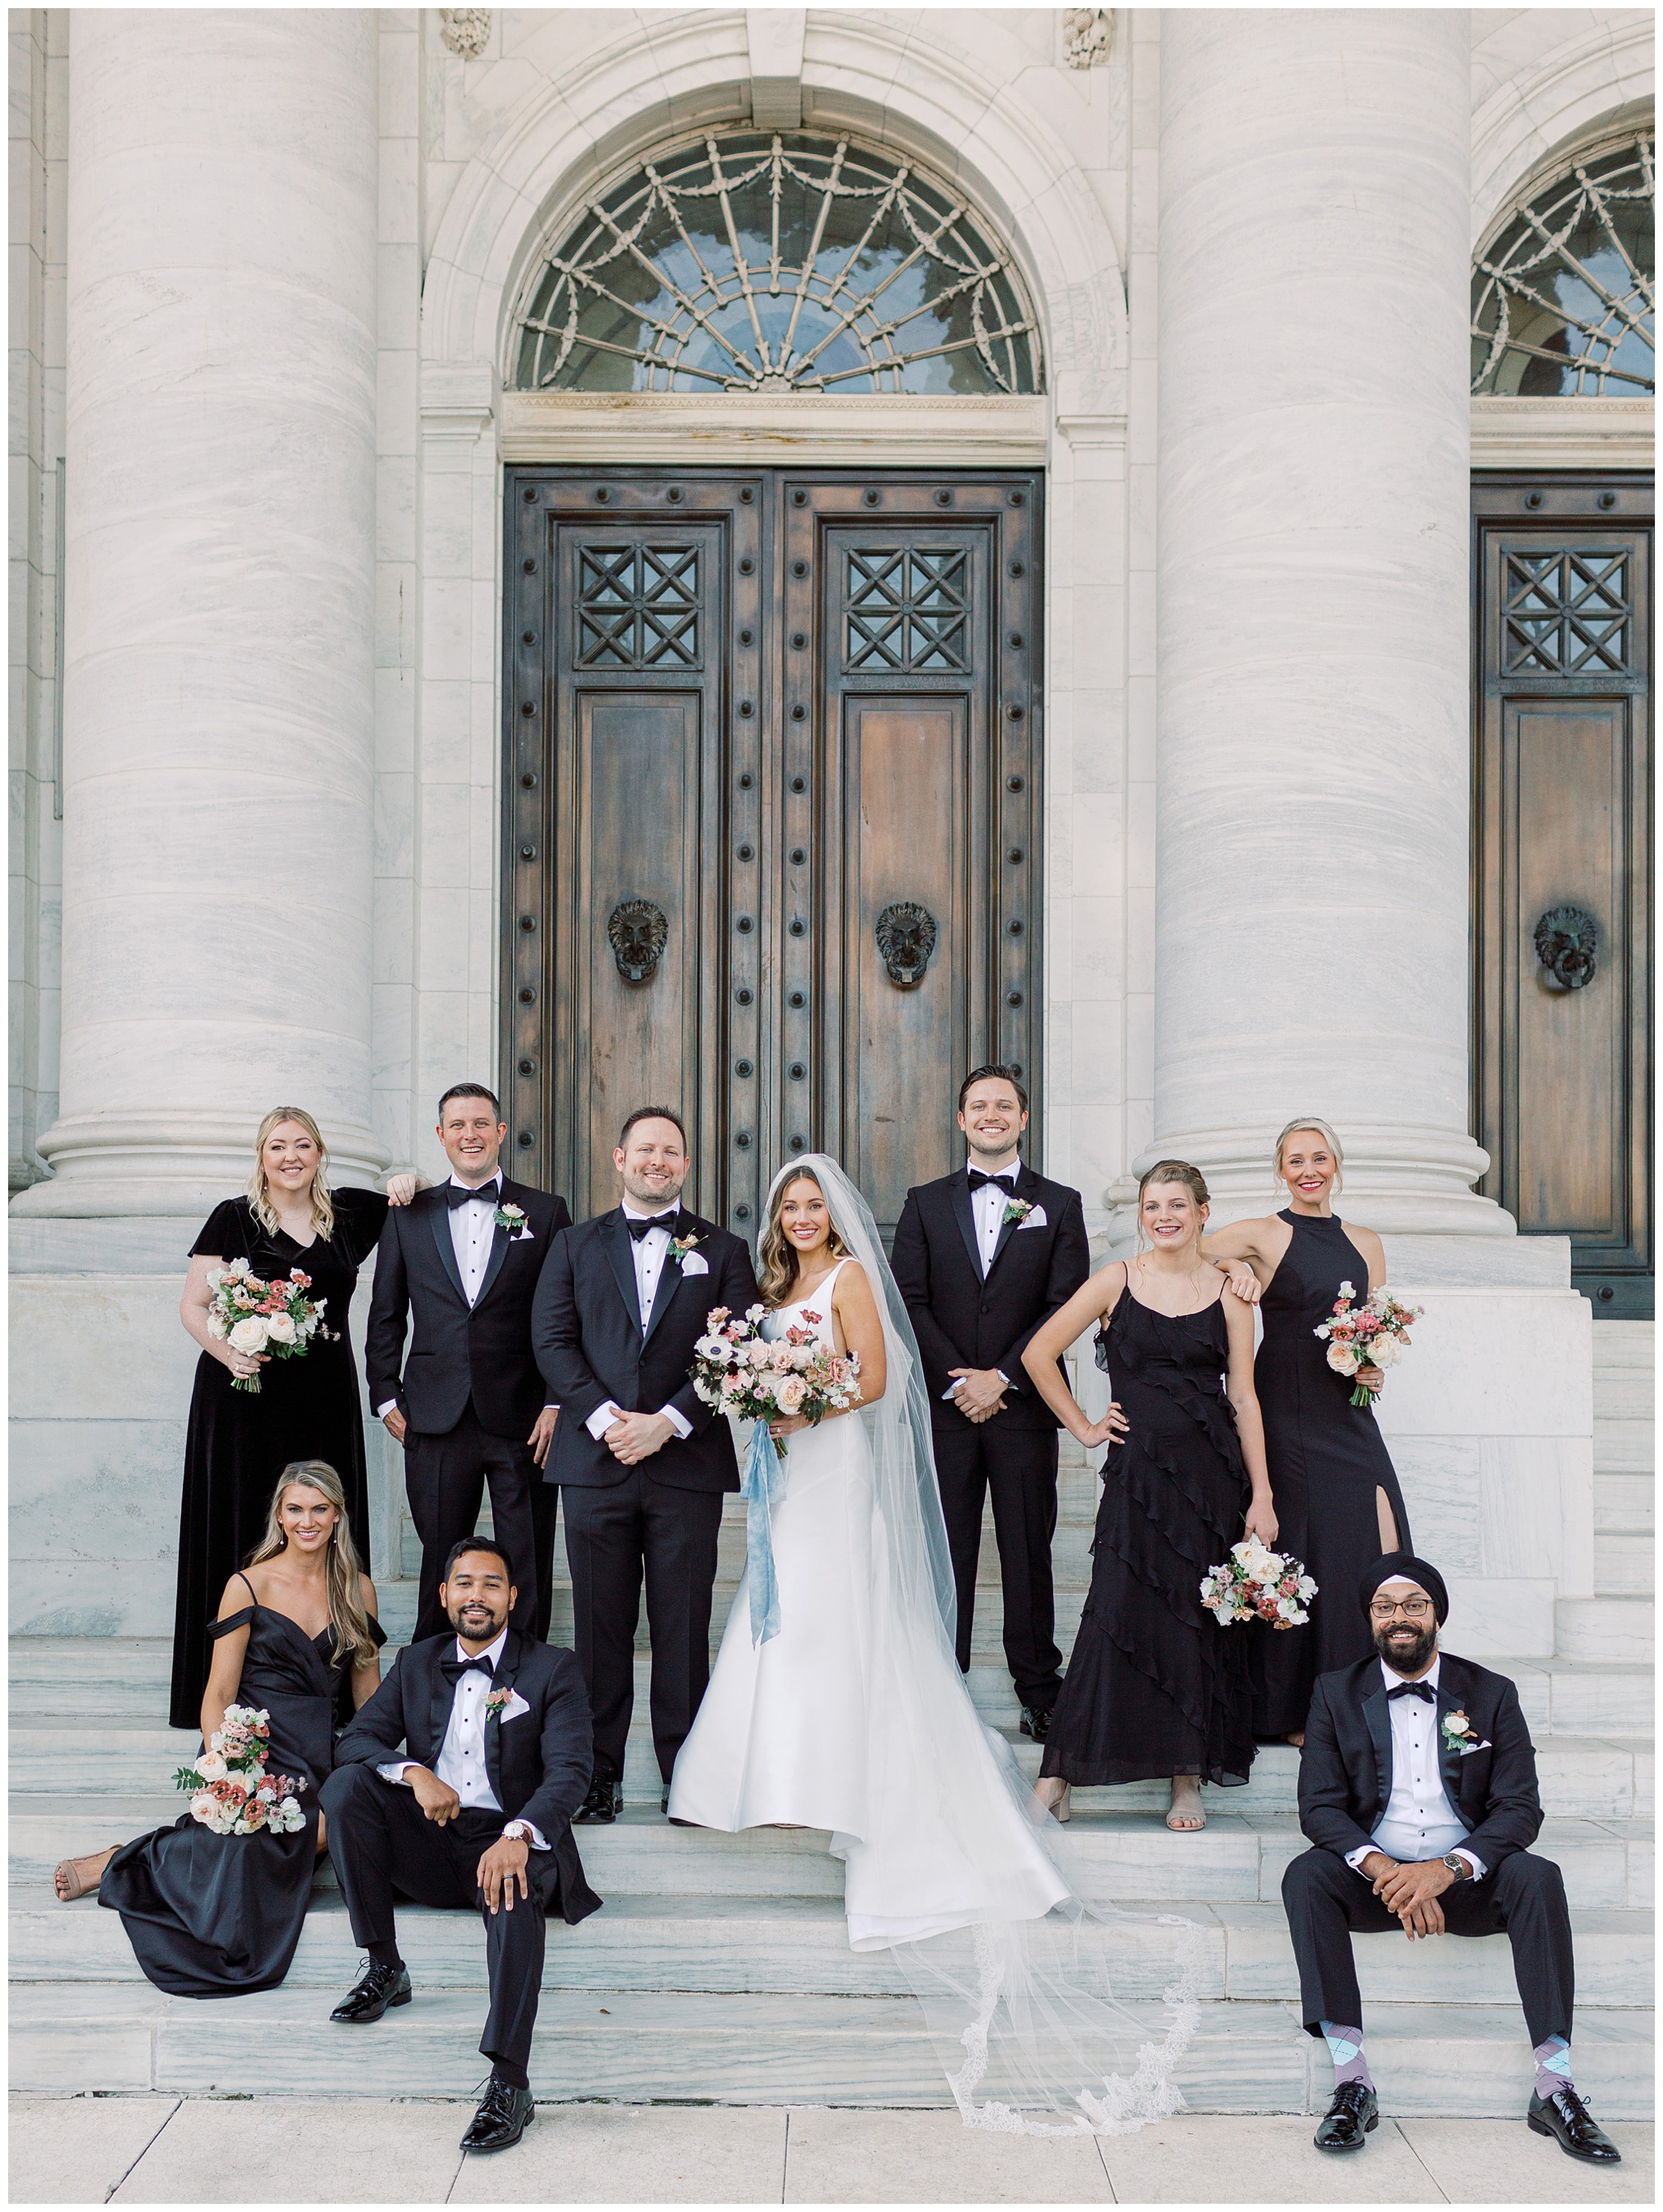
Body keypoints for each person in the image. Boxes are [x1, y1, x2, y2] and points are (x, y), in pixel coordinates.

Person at [667, 1155, 1203, 2136]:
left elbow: (873, 1380)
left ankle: (837, 1779)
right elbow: (766, 1377)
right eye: (787, 1207)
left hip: (836, 1478)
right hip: (788, 1482)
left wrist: (796, 1405)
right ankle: (758, 1777)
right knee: (777, 1619)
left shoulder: (849, 1279)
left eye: (813, 1207)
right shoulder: (774, 1291)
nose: (798, 1219)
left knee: (838, 1624)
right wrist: (757, 1405)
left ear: (836, 1219)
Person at [1284, 1554, 1620, 2166]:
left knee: (1538, 1876)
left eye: (1415, 1604)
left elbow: (1520, 1808)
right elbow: (1319, 1808)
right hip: (1377, 1883)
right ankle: (1351, 2081)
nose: (1400, 1618)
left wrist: (1447, 1870)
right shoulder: (1335, 1692)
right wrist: (1389, 1871)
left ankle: (1555, 2086)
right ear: (1371, 1619)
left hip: (1466, 1881)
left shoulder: (1491, 1693)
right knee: (1306, 1873)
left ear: (1437, 1614)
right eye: (1385, 1607)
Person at [57, 1462, 385, 1997]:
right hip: (255, 1744)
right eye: (296, 1509)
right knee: (249, 1836)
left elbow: (367, 1693)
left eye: (319, 1509)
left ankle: (126, 1856)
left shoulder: (358, 1589)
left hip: (320, 1749)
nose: (308, 1521)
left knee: (324, 1825)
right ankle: (126, 1860)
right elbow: (218, 1694)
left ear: (337, 1515)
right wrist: (226, 1766)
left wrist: (383, 1760)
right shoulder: (248, 1584)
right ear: (279, 1516)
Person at [321, 1537, 598, 2156]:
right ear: (444, 1595)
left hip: (510, 1833)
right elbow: (358, 1739)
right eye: (465, 1583)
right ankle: (385, 1965)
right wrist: (415, 1773)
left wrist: (519, 1833)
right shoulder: (418, 1662)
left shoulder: (553, 1668)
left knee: (514, 1883)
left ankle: (510, 2084)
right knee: (345, 1788)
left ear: (513, 1598)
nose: (478, 1595)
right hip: (436, 1835)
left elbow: (571, 1771)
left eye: (492, 1584)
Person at [1022, 1161, 1273, 1831]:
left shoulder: (1231, 1292)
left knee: (1196, 1624)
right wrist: (1083, 1426)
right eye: (1152, 1205)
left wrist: (1264, 1496)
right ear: (1141, 1215)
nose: (1164, 1216)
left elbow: (1244, 1397)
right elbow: (1038, 1354)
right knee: (1112, 1615)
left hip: (1213, 1481)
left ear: (1202, 1212)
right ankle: (1059, 1772)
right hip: (1137, 1480)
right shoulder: (1116, 1280)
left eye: (1177, 1205)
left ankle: (1186, 1776)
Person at [531, 1107, 760, 1822]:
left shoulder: (724, 1251)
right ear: (619, 1158)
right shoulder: (572, 1244)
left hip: (684, 1464)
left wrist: (668, 1421)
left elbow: (739, 1344)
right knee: (599, 1630)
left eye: (671, 1151)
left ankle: (684, 1776)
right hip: (594, 1465)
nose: (657, 1160)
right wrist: (606, 1420)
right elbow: (552, 1338)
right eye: (645, 1149)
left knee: (683, 1626)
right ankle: (596, 1778)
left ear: (686, 1166)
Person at [170, 1108, 395, 1730]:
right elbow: (193, 1304)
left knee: (322, 1520)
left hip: (323, 1395)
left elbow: (424, 1197)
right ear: (261, 1155)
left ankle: (330, 1685)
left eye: (302, 1145)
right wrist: (228, 1352)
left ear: (320, 1153)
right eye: (277, 1146)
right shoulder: (232, 1217)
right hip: (243, 1397)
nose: (290, 1156)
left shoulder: (348, 1216)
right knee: (245, 1521)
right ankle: (224, 1688)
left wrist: (408, 1182)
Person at [890, 1065, 1090, 1741]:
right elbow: (906, 1301)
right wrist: (959, 1380)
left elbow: (1066, 1305)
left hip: (1025, 1409)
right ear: (961, 1119)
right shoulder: (924, 1201)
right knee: (947, 1551)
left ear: (1024, 1119)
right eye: (980, 1105)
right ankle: (943, 1678)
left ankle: (1038, 1687)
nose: (992, 1115)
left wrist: (1002, 1377)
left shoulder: (1060, 1205)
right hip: (947, 1414)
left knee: (1028, 1550)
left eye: (1005, 1105)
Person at [1199, 1118, 1414, 1743]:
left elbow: (1370, 1327)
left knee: (1377, 1535)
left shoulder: (1366, 1240)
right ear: (1281, 1171)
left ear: (1337, 1165)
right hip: (1285, 1406)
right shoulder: (1267, 1231)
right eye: (1296, 1161)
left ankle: (1364, 1697)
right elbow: (1188, 1244)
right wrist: (1235, 1272)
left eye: (1319, 1158)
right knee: (1303, 1545)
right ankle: (1293, 1711)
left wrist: (1373, 1365)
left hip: (1346, 1412)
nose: (1308, 1170)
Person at [367, 1082, 571, 1645]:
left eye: (481, 1124)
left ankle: (527, 1672)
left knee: (526, 1552)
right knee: (441, 1554)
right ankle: (434, 1671)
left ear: (500, 1132)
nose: (470, 1135)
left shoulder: (547, 1212)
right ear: (441, 1136)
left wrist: (557, 1400)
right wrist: (385, 1395)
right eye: (457, 1125)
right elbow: (387, 1311)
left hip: (524, 1415)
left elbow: (560, 1314)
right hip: (433, 1415)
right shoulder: (409, 1213)